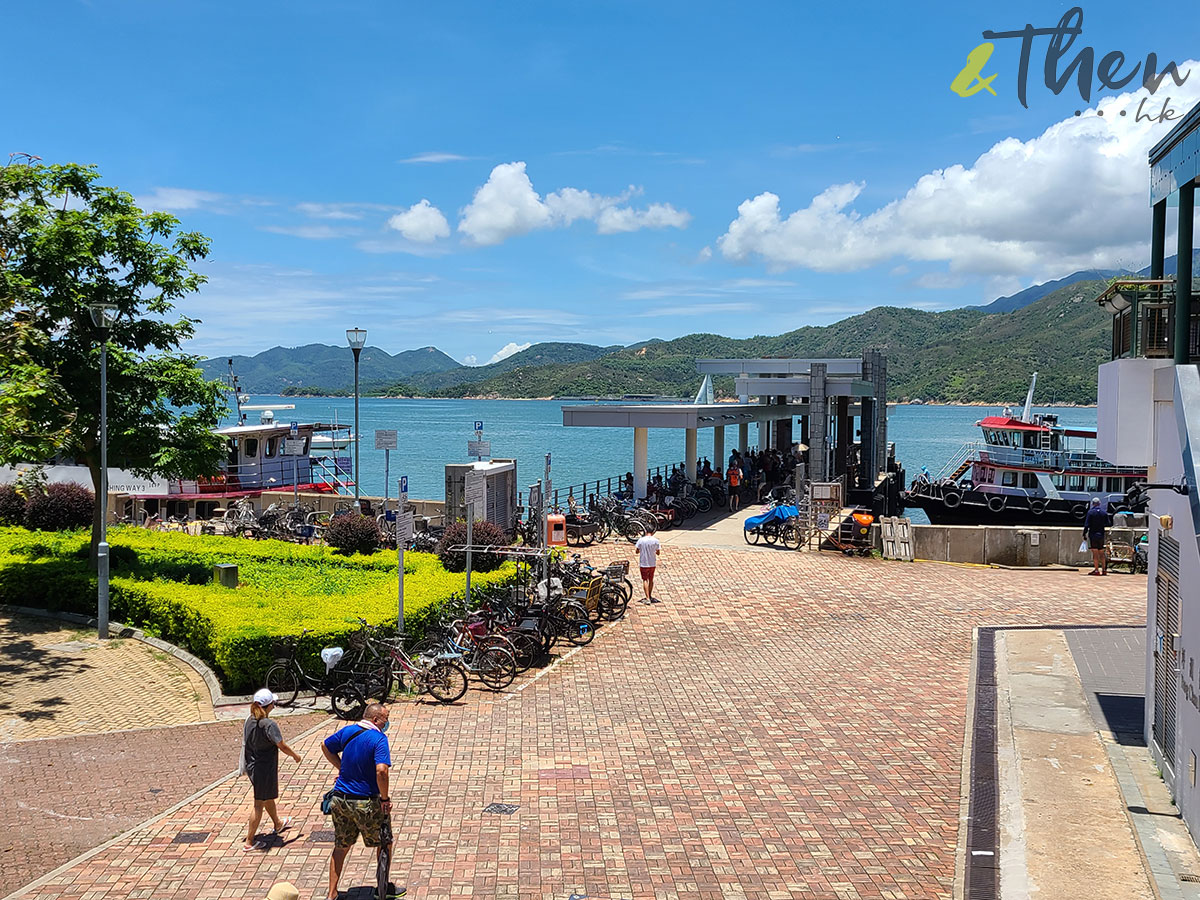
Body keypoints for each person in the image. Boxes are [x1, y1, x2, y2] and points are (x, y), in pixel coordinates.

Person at [322, 703, 398, 900]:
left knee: (341, 845)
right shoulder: (379, 739)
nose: (387, 722)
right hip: (366, 803)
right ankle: (383, 889)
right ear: (375, 720)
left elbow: (325, 746)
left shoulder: (347, 731)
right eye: (385, 718)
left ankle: (332, 893)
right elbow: (381, 770)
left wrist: (341, 768)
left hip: (340, 800)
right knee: (384, 842)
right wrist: (385, 798)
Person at [242, 688, 302, 851]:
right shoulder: (269, 724)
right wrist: (295, 756)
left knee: (267, 797)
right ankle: (249, 841)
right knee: (258, 804)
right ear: (268, 706)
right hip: (264, 769)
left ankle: (277, 823)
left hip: (253, 766)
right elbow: (281, 745)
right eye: (273, 704)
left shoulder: (249, 720)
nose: (274, 706)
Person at [634, 522, 661, 604]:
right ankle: (650, 594)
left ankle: (647, 597)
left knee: (645, 579)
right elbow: (658, 552)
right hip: (652, 563)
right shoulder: (656, 540)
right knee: (651, 579)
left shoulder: (641, 540)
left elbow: (637, 551)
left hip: (644, 563)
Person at [1083, 497, 1110, 575]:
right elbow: (1108, 523)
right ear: (1099, 504)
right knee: (1101, 552)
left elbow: (1087, 525)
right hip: (1101, 534)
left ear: (1092, 504)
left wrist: (1084, 534)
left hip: (1093, 534)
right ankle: (1104, 570)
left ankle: (1096, 570)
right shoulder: (1104, 513)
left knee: (1095, 552)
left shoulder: (1090, 512)